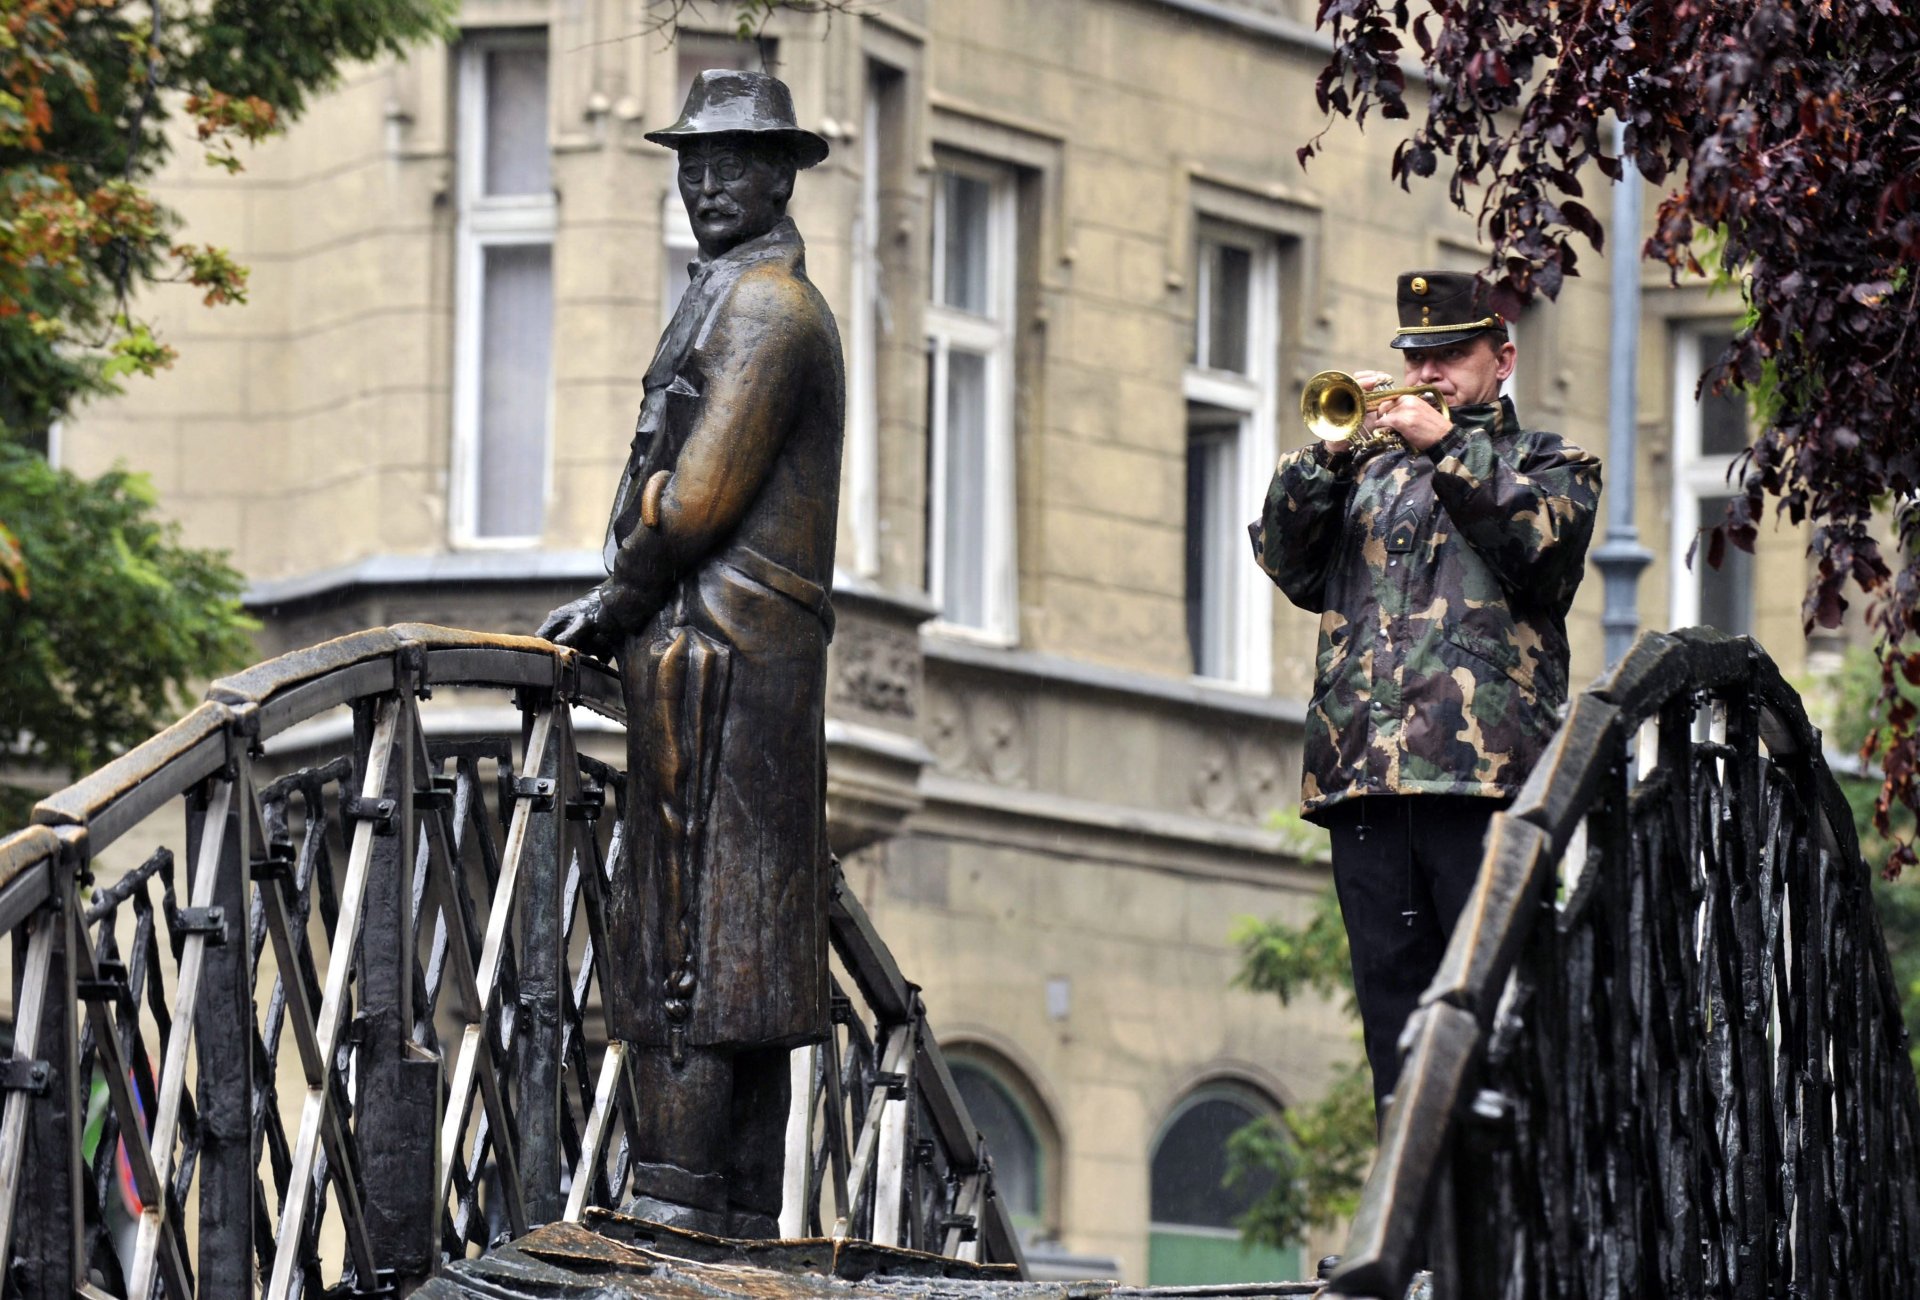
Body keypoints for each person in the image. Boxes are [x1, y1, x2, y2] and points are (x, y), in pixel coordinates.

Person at [537, 69, 843, 1236]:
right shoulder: (734, 296)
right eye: (693, 163)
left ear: (782, 173)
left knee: (694, 935)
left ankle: (679, 1205)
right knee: (735, 941)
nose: (708, 182)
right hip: (725, 666)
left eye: (735, 163)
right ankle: (736, 1216)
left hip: (718, 667)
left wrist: (618, 592)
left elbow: (699, 496)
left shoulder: (767, 308)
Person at [1248, 271, 1601, 1118]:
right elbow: (1285, 559)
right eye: (1417, 355)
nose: (1429, 372)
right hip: (1363, 779)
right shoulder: (1366, 473)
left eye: (1450, 355)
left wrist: (1446, 447)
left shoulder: (1549, 463)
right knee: (1391, 1018)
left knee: (1492, 1012)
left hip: (1482, 786)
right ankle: (1406, 1241)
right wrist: (1326, 456)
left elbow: (1540, 552)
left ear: (1502, 358)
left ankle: (1500, 1235)